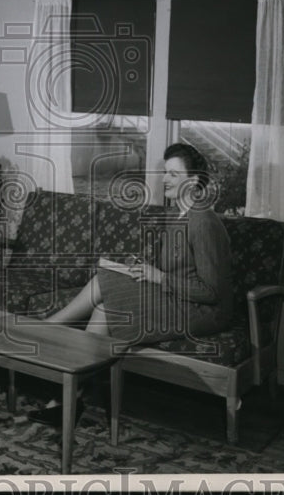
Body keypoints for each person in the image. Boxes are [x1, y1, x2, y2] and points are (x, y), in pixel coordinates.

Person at [29, 142, 233, 426]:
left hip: (204, 311)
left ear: (194, 180)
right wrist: (143, 271)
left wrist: (159, 277)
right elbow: (177, 270)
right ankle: (67, 399)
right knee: (105, 306)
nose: (165, 179)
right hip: (178, 298)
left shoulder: (203, 222)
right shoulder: (178, 215)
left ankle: (47, 329)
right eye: (165, 173)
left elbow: (212, 292)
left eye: (173, 174)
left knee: (104, 284)